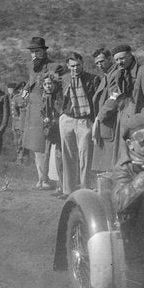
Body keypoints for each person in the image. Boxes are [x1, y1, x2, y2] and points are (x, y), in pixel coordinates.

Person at [58, 52, 98, 194]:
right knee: (67, 155)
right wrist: (61, 113)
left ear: (83, 64)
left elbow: (96, 100)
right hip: (67, 119)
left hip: (84, 120)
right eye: (73, 66)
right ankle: (68, 191)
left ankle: (84, 189)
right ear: (68, 66)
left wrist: (94, 120)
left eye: (78, 65)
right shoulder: (63, 79)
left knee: (85, 156)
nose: (75, 68)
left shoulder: (92, 79)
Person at [111, 114, 144, 215]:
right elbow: (119, 203)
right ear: (130, 144)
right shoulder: (124, 167)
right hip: (142, 221)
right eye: (140, 137)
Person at [24, 74, 62, 190]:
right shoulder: (44, 96)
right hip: (48, 129)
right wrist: (45, 118)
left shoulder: (59, 96)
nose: (48, 86)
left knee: (58, 155)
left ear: (54, 84)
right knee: (46, 154)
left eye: (50, 83)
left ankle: (60, 182)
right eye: (45, 84)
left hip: (58, 128)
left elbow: (61, 110)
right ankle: (45, 179)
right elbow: (42, 111)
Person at [10, 82, 27, 163]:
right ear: (19, 90)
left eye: (24, 89)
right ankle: (19, 158)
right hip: (19, 123)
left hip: (27, 123)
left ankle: (24, 158)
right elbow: (15, 112)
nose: (22, 90)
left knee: (25, 141)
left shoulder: (29, 97)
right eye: (21, 89)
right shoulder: (16, 98)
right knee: (18, 141)